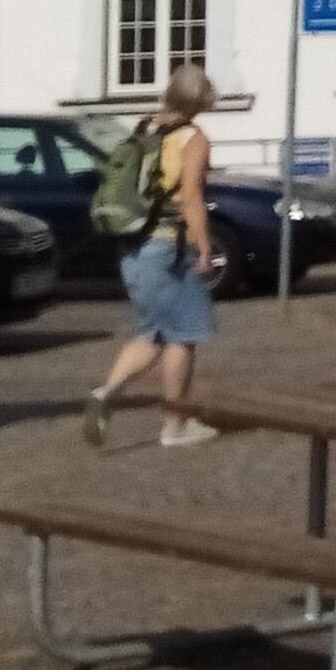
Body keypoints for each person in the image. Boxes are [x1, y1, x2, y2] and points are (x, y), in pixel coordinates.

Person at [84, 63, 225, 449]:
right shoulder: (193, 138)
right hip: (168, 246)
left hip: (133, 245)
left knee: (151, 333)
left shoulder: (146, 127)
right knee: (184, 336)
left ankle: (104, 395)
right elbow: (191, 197)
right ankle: (176, 425)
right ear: (201, 100)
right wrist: (203, 247)